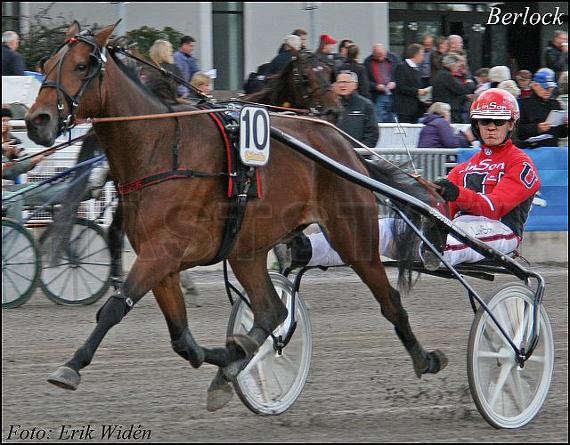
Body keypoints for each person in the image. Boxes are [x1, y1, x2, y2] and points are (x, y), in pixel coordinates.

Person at [274, 89, 541, 271]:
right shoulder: (465, 167)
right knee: (382, 229)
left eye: (498, 121)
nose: (491, 127)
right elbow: (443, 206)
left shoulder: (521, 164)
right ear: (476, 125)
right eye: (484, 121)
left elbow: (495, 207)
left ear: (511, 124)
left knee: (461, 233)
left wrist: (455, 194)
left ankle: (435, 247)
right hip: (455, 228)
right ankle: (306, 251)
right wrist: (420, 198)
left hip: (501, 232)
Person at [517, 68, 568, 148]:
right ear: (535, 86)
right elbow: (518, 131)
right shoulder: (524, 104)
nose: (548, 91)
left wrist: (565, 125)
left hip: (552, 149)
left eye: (550, 88)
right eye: (545, 87)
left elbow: (561, 134)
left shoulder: (555, 104)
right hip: (532, 149)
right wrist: (537, 128)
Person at [332, 70, 379, 147]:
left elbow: (372, 133)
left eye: (345, 82)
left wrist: (361, 151)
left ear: (355, 85)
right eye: (339, 82)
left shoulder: (365, 105)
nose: (341, 85)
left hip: (358, 152)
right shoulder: (330, 105)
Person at [431, 53, 474, 123]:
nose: (459, 68)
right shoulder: (445, 75)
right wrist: (469, 82)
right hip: (448, 111)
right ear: (452, 65)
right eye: (458, 66)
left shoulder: (440, 73)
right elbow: (461, 90)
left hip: (444, 108)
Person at [393, 43, 430, 123]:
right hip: (404, 109)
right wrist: (417, 91)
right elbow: (400, 87)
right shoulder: (402, 67)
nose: (423, 57)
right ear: (415, 55)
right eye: (422, 55)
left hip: (415, 109)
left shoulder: (416, 69)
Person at [364, 43, 399, 123]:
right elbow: (365, 81)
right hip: (377, 96)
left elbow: (401, 75)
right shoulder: (367, 62)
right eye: (378, 56)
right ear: (373, 54)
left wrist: (394, 83)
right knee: (378, 119)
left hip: (393, 95)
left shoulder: (394, 59)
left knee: (393, 119)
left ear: (386, 52)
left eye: (382, 55)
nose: (380, 58)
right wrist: (375, 86)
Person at [140, 39, 183, 105]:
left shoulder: (147, 67)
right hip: (169, 103)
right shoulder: (173, 67)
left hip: (151, 102)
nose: (172, 52)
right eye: (170, 50)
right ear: (164, 52)